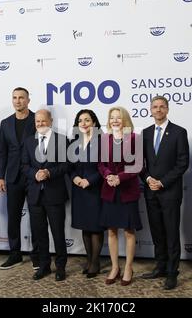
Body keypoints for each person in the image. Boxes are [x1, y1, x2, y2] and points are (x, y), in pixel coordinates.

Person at [140, 96, 189, 290]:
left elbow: (182, 163)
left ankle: (172, 272)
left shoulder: (179, 132)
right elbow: (139, 164)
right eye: (155, 107)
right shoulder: (145, 133)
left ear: (167, 109)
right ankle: (160, 266)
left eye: (162, 107)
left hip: (169, 192)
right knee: (157, 232)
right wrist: (148, 179)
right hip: (150, 192)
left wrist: (162, 182)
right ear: (150, 110)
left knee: (171, 233)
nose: (158, 110)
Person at [22, 109, 69, 281]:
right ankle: (44, 266)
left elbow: (66, 165)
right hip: (35, 195)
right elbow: (24, 165)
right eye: (37, 121)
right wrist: (35, 174)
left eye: (43, 121)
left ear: (50, 121)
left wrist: (49, 172)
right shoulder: (28, 141)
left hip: (54, 194)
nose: (40, 124)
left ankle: (61, 267)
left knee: (58, 232)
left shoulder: (62, 140)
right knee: (39, 233)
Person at [98, 106, 142, 286]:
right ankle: (115, 267)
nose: (115, 120)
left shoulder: (134, 138)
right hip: (109, 190)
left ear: (125, 120)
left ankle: (128, 268)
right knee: (112, 231)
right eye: (112, 118)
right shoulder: (104, 139)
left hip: (127, 191)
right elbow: (100, 164)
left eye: (118, 117)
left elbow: (138, 165)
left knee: (129, 231)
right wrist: (108, 175)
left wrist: (120, 177)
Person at [0, 87, 39, 270]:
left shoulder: (37, 119)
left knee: (36, 217)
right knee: (13, 217)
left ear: (28, 100)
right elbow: (3, 153)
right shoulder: (5, 123)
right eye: (14, 98)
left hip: (33, 176)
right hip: (12, 177)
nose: (18, 101)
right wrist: (0, 176)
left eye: (21, 97)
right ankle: (15, 254)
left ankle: (37, 255)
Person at [69, 110, 104, 278]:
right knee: (85, 226)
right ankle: (89, 260)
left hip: (95, 189)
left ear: (94, 123)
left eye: (87, 120)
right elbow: (70, 167)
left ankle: (95, 263)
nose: (83, 123)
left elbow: (104, 168)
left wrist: (89, 181)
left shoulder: (102, 142)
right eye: (80, 120)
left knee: (95, 227)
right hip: (78, 190)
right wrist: (75, 178)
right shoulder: (73, 142)